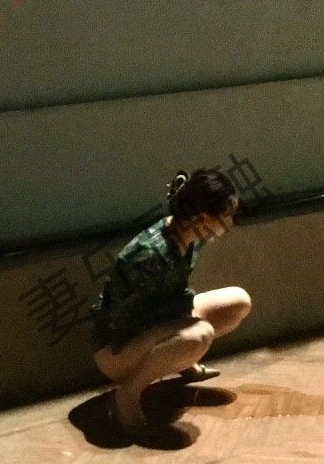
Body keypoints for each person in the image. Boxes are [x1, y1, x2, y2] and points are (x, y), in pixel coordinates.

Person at [90, 167, 252, 435]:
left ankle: (182, 361)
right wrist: (181, 333)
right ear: (202, 218)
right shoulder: (149, 254)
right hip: (117, 348)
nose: (229, 223)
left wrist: (179, 323)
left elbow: (174, 295)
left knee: (239, 302)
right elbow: (122, 323)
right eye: (225, 217)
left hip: (159, 320)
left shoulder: (189, 235)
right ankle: (128, 393)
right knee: (200, 334)